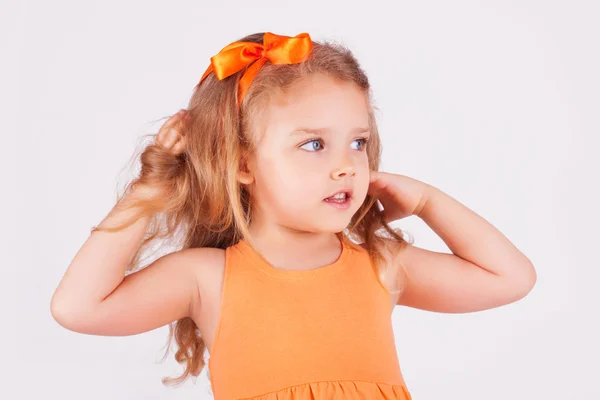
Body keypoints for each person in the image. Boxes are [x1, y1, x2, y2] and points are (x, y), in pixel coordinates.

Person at [50, 31, 537, 399]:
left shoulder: (382, 265)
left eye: (358, 142)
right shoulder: (206, 277)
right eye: (313, 144)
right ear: (242, 163)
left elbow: (509, 278)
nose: (347, 165)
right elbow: (78, 308)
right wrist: (150, 188)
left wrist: (429, 201)